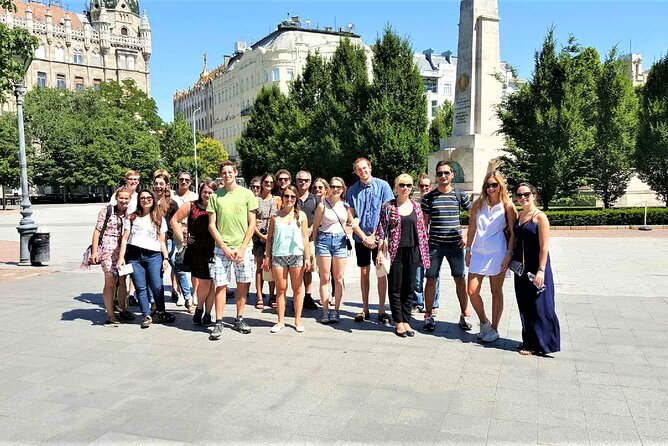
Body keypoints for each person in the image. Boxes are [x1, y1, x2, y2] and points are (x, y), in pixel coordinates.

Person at [207, 161, 258, 340]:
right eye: (224, 172)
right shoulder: (215, 197)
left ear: (236, 173)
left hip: (244, 247)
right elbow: (212, 225)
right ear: (221, 175)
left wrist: (243, 247)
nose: (227, 175)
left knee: (243, 284)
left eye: (230, 172)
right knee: (220, 285)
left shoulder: (247, 194)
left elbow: (252, 223)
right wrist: (223, 246)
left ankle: (239, 318)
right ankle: (219, 321)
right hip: (222, 249)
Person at [421, 161, 473, 332]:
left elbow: (474, 216)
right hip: (434, 245)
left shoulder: (460, 195)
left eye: (446, 173)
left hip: (455, 245)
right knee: (431, 280)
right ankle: (428, 316)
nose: (443, 176)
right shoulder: (429, 197)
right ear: (436, 176)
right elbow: (424, 224)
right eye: (439, 173)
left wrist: (466, 235)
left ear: (452, 174)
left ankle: (465, 314)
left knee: (460, 280)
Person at [376, 174, 430, 337]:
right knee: (395, 286)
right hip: (394, 251)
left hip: (413, 250)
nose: (405, 188)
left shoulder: (416, 206)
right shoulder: (389, 206)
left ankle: (406, 320)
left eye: (408, 185)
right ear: (396, 186)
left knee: (409, 286)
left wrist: (424, 252)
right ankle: (398, 321)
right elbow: (382, 230)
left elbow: (421, 230)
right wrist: (379, 251)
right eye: (402, 184)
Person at [465, 171, 517, 343]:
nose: (491, 188)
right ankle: (484, 322)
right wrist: (468, 249)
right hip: (479, 252)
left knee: (496, 291)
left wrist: (509, 254)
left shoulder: (507, 206)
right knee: (472, 290)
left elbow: (513, 233)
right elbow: (472, 228)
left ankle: (494, 328)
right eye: (488, 185)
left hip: (498, 252)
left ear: (500, 185)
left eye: (494, 184)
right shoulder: (478, 204)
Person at [512, 183, 560, 356]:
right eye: (519, 195)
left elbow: (544, 246)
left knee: (540, 305)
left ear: (533, 195)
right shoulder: (520, 215)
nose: (522, 198)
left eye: (526, 194)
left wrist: (541, 270)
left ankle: (544, 343)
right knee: (524, 303)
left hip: (537, 266)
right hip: (522, 268)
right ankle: (530, 341)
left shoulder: (540, 217)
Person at [117, 189, 175, 329]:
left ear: (153, 200)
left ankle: (161, 311)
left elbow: (162, 241)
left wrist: (166, 258)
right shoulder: (131, 217)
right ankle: (146, 314)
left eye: (149, 197)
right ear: (138, 200)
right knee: (140, 287)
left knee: (157, 285)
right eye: (142, 198)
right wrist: (121, 258)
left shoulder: (159, 218)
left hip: (153, 255)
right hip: (134, 256)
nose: (145, 200)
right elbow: (125, 239)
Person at [346, 157, 394, 325]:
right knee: (364, 272)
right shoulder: (352, 190)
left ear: (370, 168)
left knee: (381, 271)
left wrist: (374, 236)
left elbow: (387, 214)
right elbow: (351, 217)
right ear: (356, 171)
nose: (362, 171)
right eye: (359, 169)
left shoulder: (383, 186)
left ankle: (381, 310)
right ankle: (365, 308)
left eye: (365, 168)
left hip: (380, 237)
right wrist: (364, 237)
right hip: (361, 238)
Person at [263, 185, 311, 332]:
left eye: (292, 197)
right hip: (279, 255)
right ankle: (280, 321)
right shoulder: (275, 216)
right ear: (282, 197)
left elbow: (305, 237)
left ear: (296, 199)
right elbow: (270, 238)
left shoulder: (301, 216)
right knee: (281, 289)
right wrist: (267, 257)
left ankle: (297, 320)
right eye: (286, 196)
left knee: (297, 289)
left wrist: (307, 258)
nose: (289, 199)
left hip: (296, 255)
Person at [170, 180, 217, 327]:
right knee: (204, 282)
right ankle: (199, 309)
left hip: (215, 247)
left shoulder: (217, 206)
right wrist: (183, 238)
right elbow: (174, 220)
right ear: (200, 191)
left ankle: (207, 313)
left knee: (213, 283)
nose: (207, 195)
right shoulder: (192, 205)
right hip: (197, 248)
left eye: (210, 192)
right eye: (205, 191)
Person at [88, 187, 134, 324]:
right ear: (116, 198)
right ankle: (110, 314)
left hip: (124, 251)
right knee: (110, 283)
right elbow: (97, 231)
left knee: (122, 281)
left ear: (130, 199)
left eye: (126, 198)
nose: (124, 201)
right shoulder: (106, 211)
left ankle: (122, 309)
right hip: (108, 251)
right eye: (121, 198)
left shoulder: (130, 213)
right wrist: (95, 252)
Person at [312, 177, 351, 324]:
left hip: (340, 241)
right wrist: (316, 246)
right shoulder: (323, 205)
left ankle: (336, 311)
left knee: (339, 277)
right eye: (333, 186)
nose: (336, 189)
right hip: (324, 240)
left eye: (339, 187)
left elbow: (351, 221)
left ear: (343, 189)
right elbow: (315, 228)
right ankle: (325, 311)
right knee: (325, 277)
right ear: (330, 188)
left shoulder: (345, 206)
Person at [110, 170, 140, 306]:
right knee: (120, 269)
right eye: (131, 179)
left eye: (136, 179)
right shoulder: (117, 195)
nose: (133, 181)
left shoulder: (140, 197)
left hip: (133, 239)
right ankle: (117, 297)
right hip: (118, 237)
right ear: (126, 180)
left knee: (132, 266)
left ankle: (130, 294)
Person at [171, 171, 198, 310]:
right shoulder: (172, 196)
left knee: (194, 266)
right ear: (177, 180)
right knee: (177, 264)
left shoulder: (195, 197)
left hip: (191, 234)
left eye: (186, 180)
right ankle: (180, 293)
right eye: (181, 179)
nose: (183, 182)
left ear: (191, 181)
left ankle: (195, 294)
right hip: (175, 235)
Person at [413, 173, 440, 313]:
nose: (424, 188)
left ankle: (433, 304)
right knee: (417, 274)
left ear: (431, 186)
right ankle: (417, 302)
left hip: (433, 242)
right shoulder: (414, 203)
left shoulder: (435, 201)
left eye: (427, 186)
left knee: (434, 274)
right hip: (418, 243)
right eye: (422, 186)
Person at [253, 173, 280, 309]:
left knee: (272, 267)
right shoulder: (255, 200)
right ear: (262, 183)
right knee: (259, 267)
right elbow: (251, 221)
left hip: (274, 235)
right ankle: (259, 296)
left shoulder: (277, 199)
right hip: (259, 235)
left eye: (271, 182)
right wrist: (260, 234)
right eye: (266, 182)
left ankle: (272, 295)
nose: (268, 184)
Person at [296, 170, 320, 310]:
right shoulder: (291, 196)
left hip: (309, 240)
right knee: (295, 269)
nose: (303, 182)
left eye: (305, 180)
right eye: (300, 180)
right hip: (293, 239)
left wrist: (312, 228)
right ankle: (297, 296)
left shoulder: (315, 199)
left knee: (308, 268)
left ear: (310, 182)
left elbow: (320, 217)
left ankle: (308, 296)